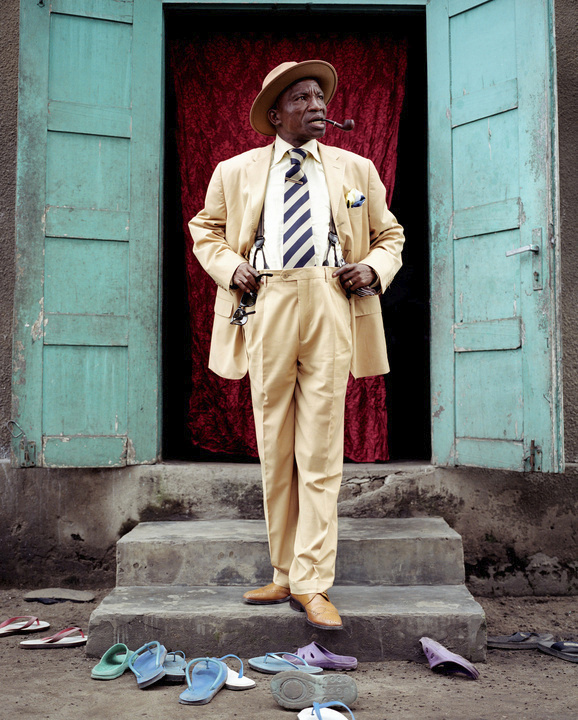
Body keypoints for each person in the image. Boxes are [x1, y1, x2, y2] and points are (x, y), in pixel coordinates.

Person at [189, 60, 405, 630]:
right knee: (275, 446)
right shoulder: (234, 170)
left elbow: (390, 234)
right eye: (302, 98)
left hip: (331, 299)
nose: (317, 105)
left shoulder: (356, 168)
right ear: (276, 112)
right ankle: (283, 571)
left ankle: (313, 582)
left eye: (319, 96)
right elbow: (205, 230)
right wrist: (230, 267)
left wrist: (373, 268)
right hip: (267, 300)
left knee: (319, 450)